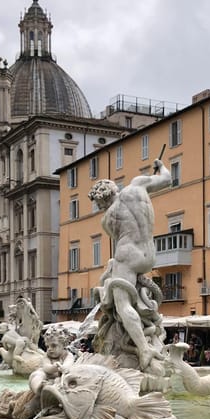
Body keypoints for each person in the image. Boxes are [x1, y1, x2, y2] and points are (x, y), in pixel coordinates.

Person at [89, 158, 171, 371]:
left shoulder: (107, 219)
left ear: (102, 202)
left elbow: (117, 237)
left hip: (127, 254)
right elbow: (167, 179)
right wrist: (160, 165)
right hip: (149, 254)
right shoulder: (137, 185)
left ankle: (143, 349)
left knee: (122, 303)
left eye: (98, 205)